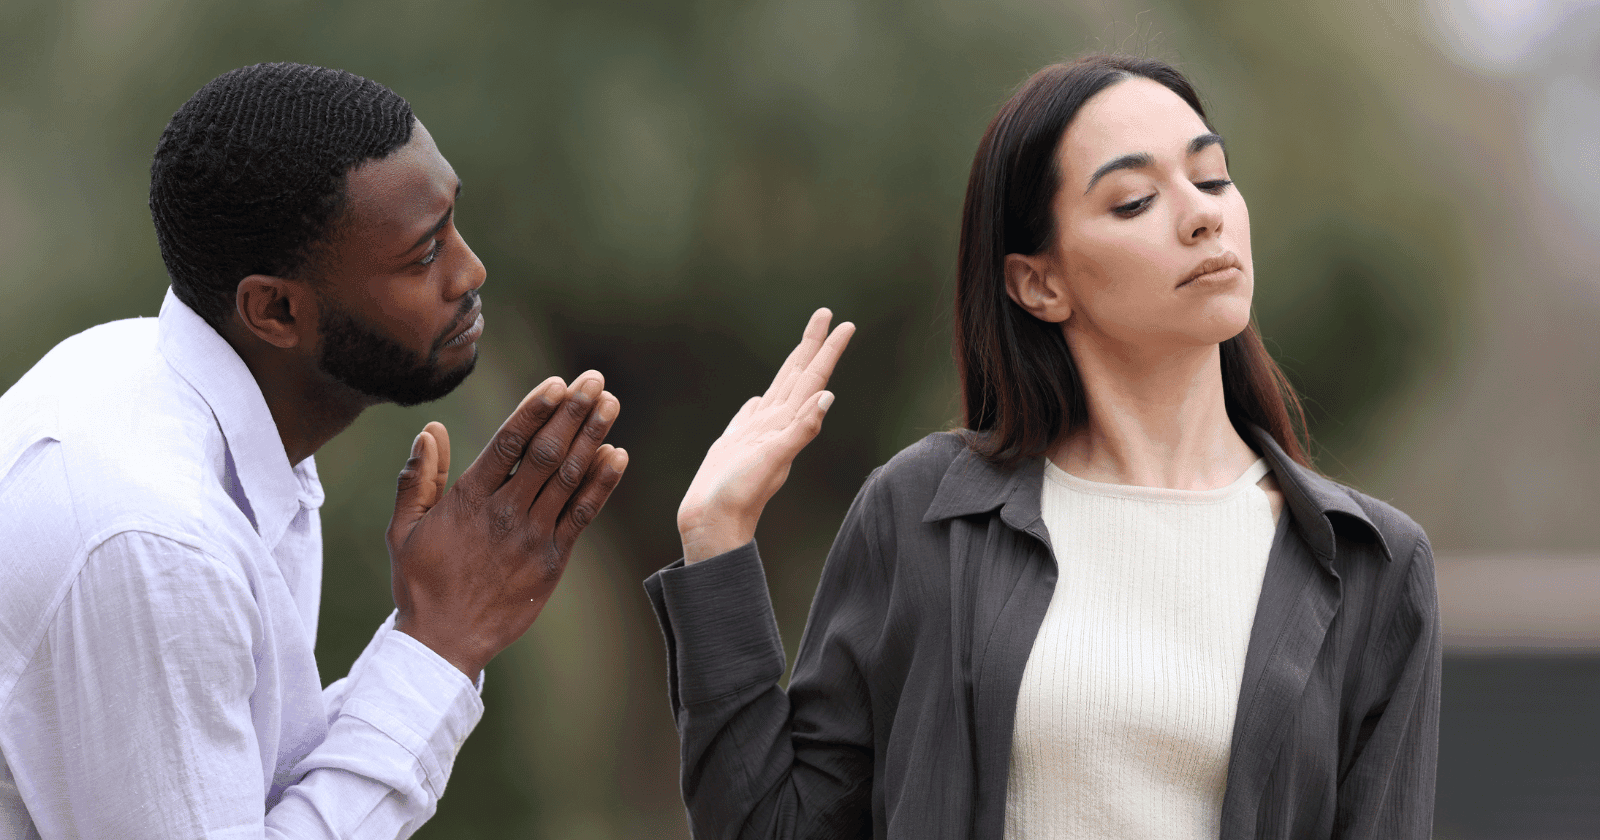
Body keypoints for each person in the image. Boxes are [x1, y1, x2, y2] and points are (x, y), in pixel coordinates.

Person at [646, 54, 1440, 839]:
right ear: (1039, 284)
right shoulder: (926, 516)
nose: (1202, 214)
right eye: (1134, 201)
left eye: (1212, 176)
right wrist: (717, 544)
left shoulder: (1373, 564)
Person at [0, 62, 628, 838]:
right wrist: (440, 643)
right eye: (423, 255)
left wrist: (425, 631)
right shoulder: (155, 541)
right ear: (274, 309)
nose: (471, 270)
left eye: (453, 224)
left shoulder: (174, 387)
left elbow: (235, 779)